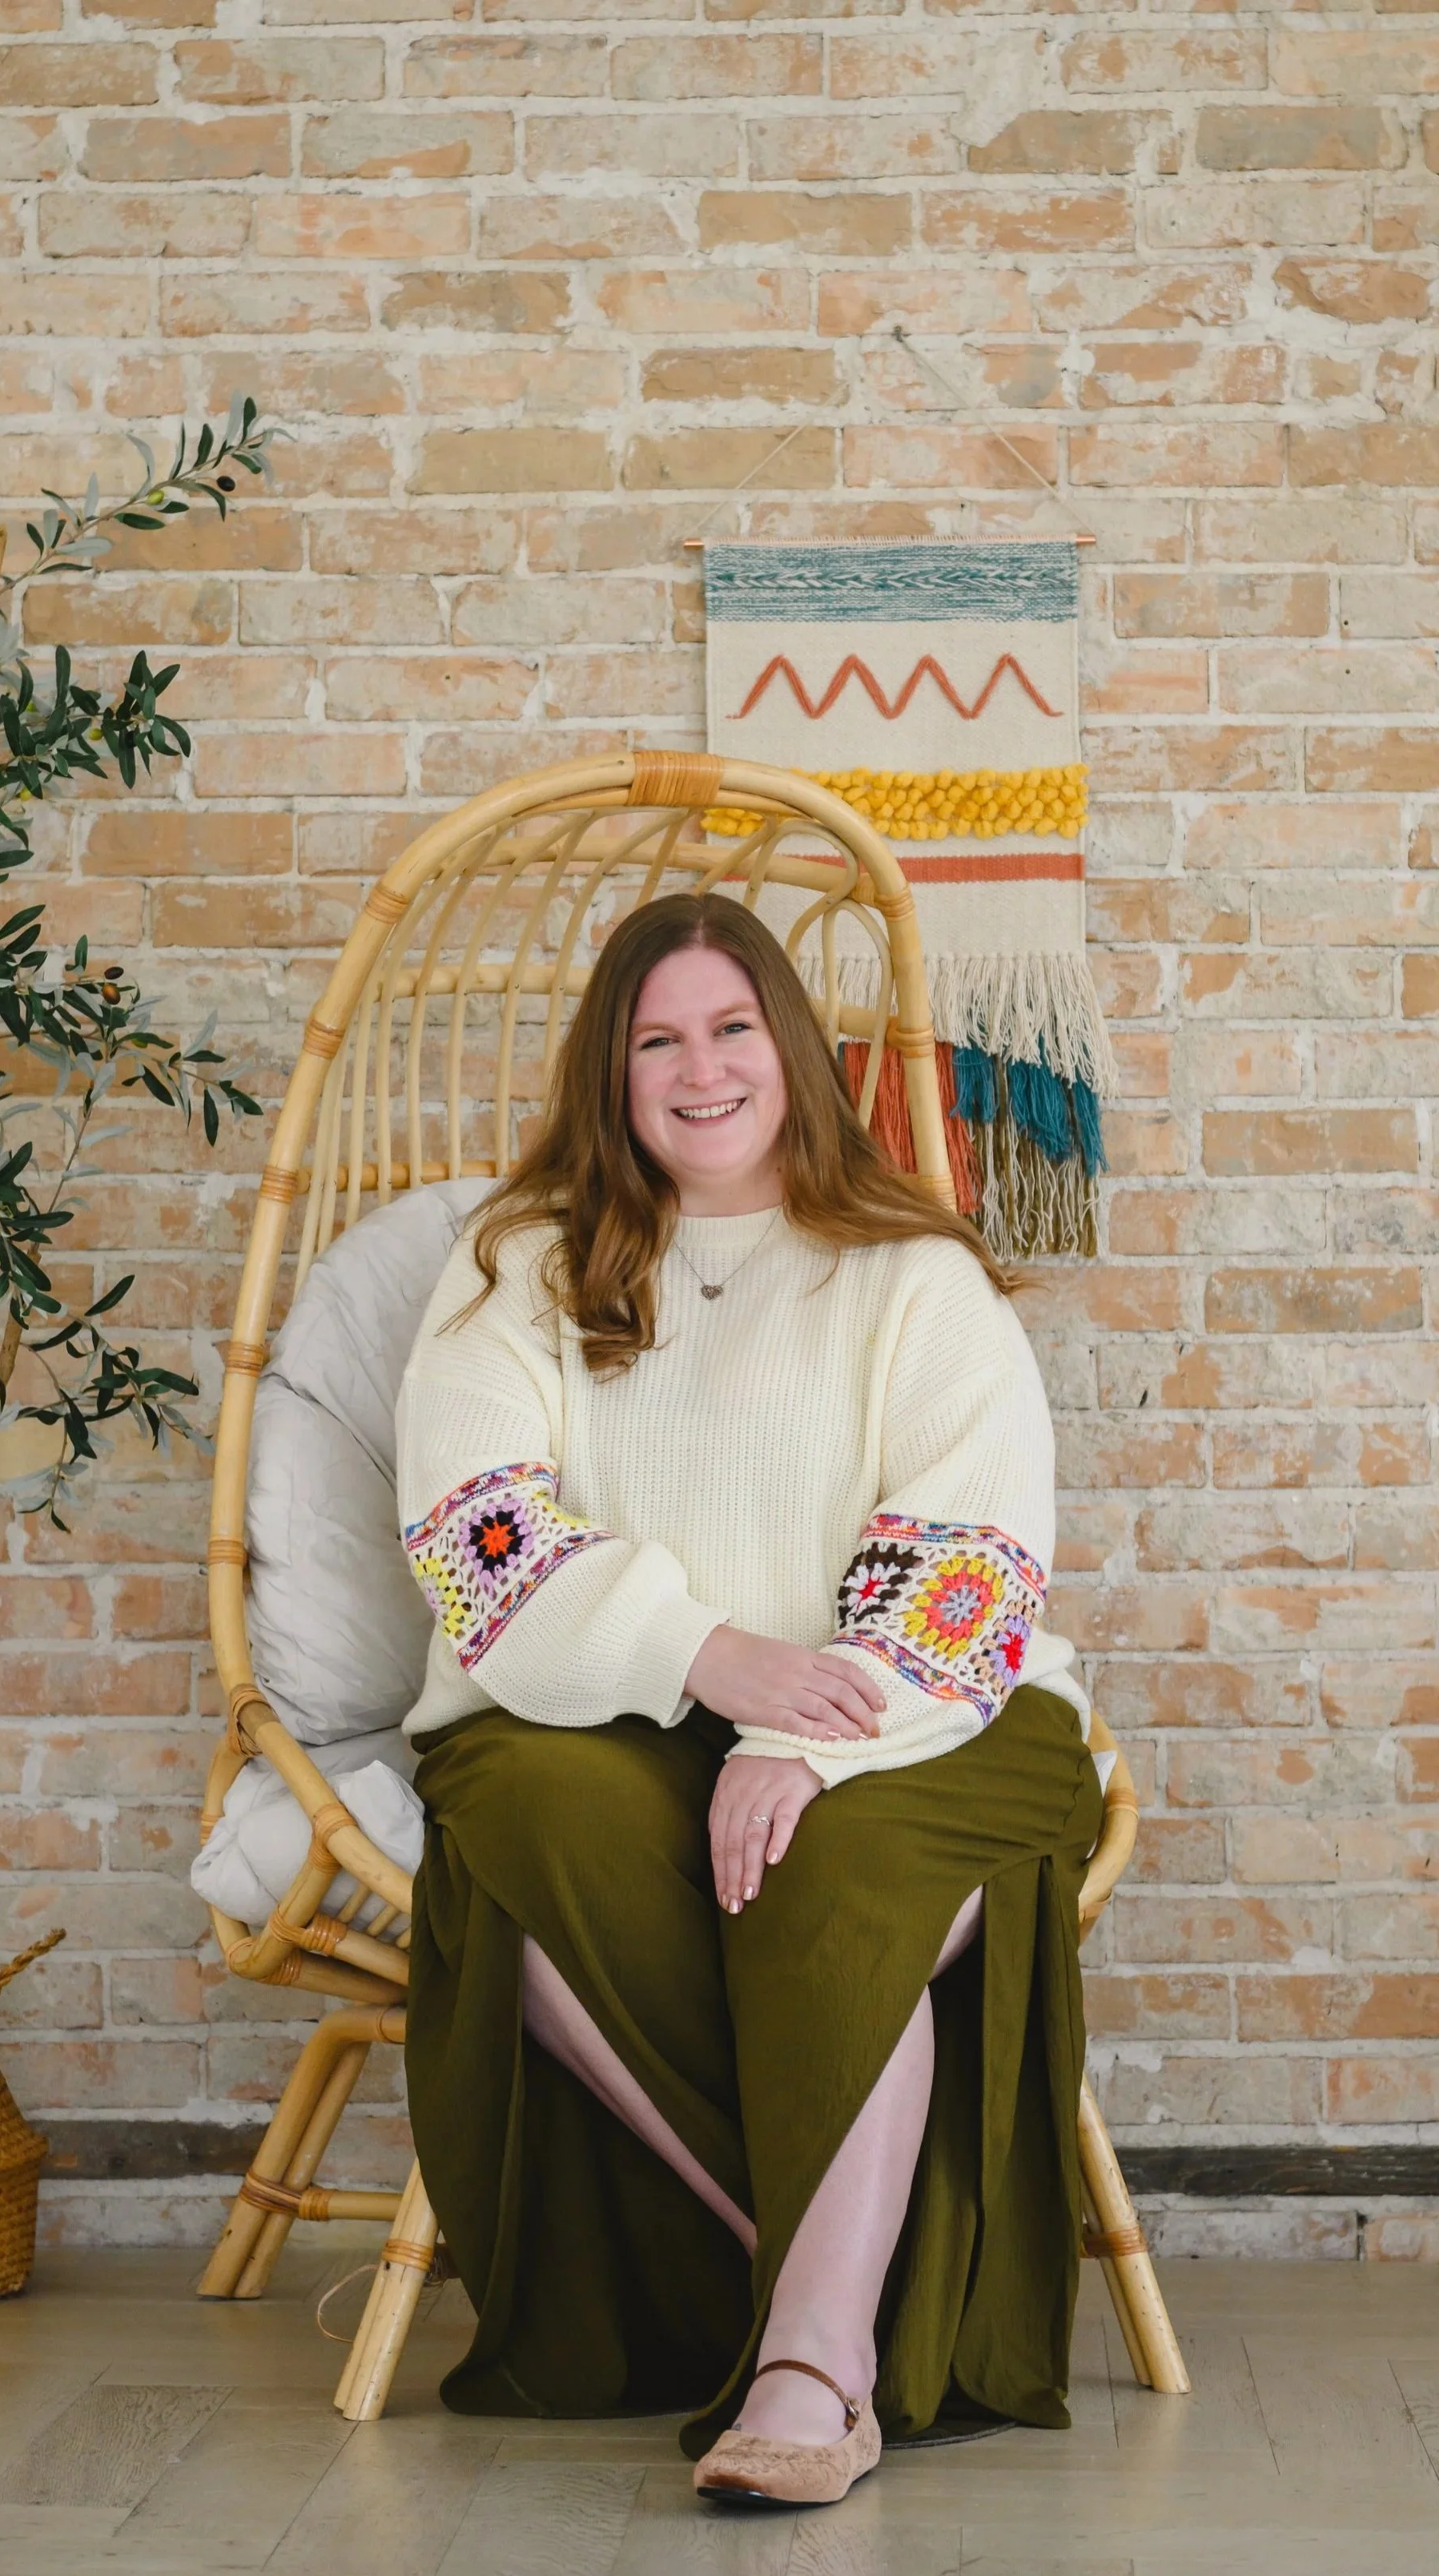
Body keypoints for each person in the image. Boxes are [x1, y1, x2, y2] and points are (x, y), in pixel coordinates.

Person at [395, 891, 1102, 2510]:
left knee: (833, 1866)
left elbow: (975, 1560)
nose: (698, 1070)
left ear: (788, 1049)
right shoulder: (516, 1263)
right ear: (610, 1069)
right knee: (516, 1811)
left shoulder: (913, 1271)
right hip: (612, 1707)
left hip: (923, 1707)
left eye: (730, 1029)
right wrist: (713, 1664)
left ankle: (805, 2368)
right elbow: (477, 1539)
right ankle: (849, 2297)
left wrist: (791, 1734)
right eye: (656, 1040)